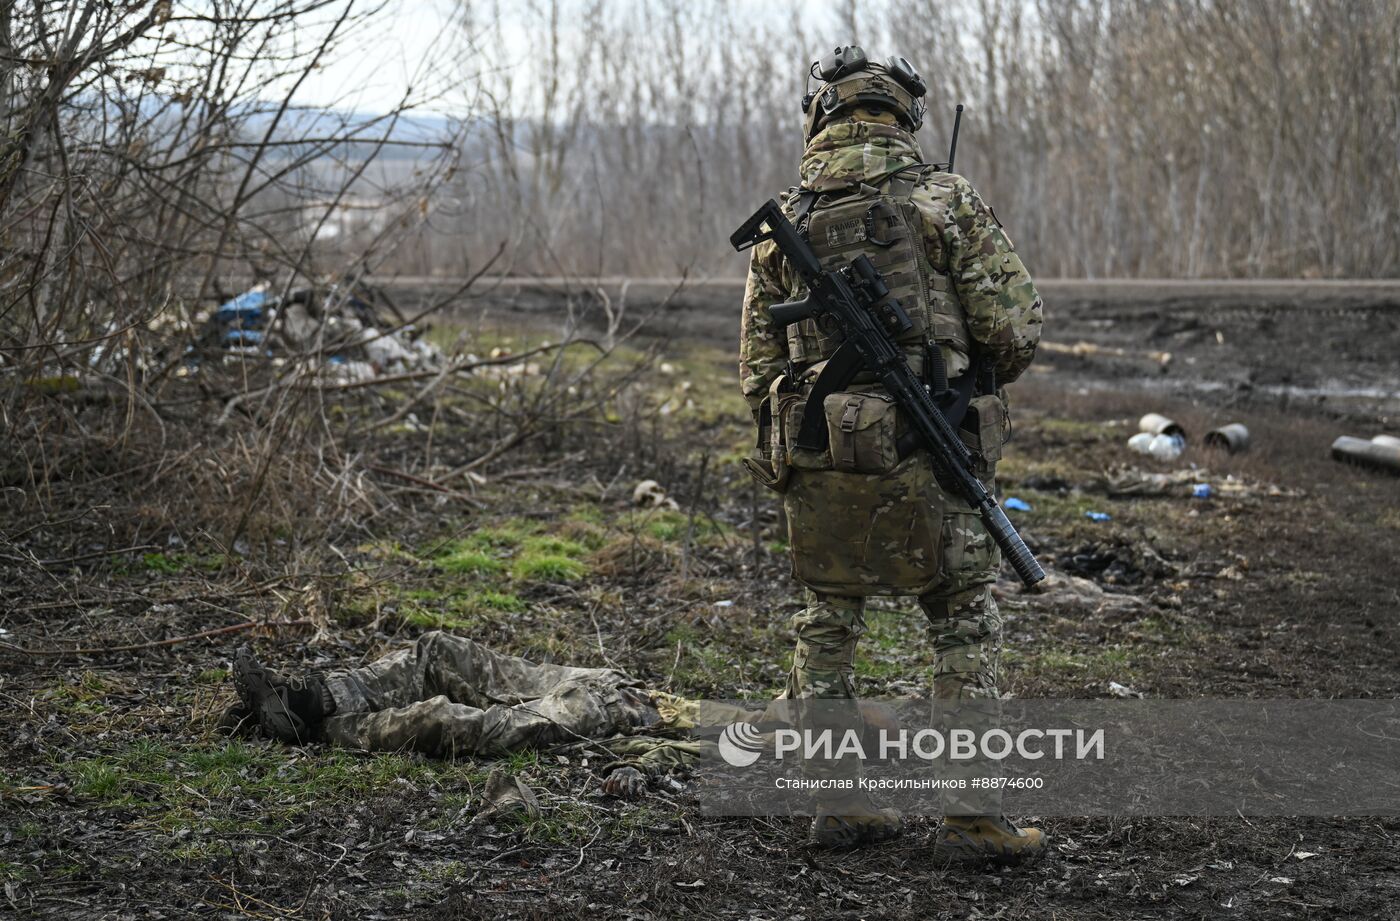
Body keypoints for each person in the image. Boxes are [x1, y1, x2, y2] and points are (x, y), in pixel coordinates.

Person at [738, 46, 1045, 862]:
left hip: (821, 458)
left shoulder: (791, 219)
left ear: (822, 116)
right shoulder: (945, 198)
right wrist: (950, 373)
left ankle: (840, 804)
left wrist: (811, 439)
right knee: (963, 621)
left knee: (826, 620)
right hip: (931, 450)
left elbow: (757, 371)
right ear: (905, 117)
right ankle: (973, 817)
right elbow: (1016, 329)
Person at [229, 632, 743, 798]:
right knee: (436, 649)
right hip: (601, 682)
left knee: (455, 724)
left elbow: (692, 752)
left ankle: (312, 726)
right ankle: (317, 698)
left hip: (610, 713)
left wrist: (640, 766)